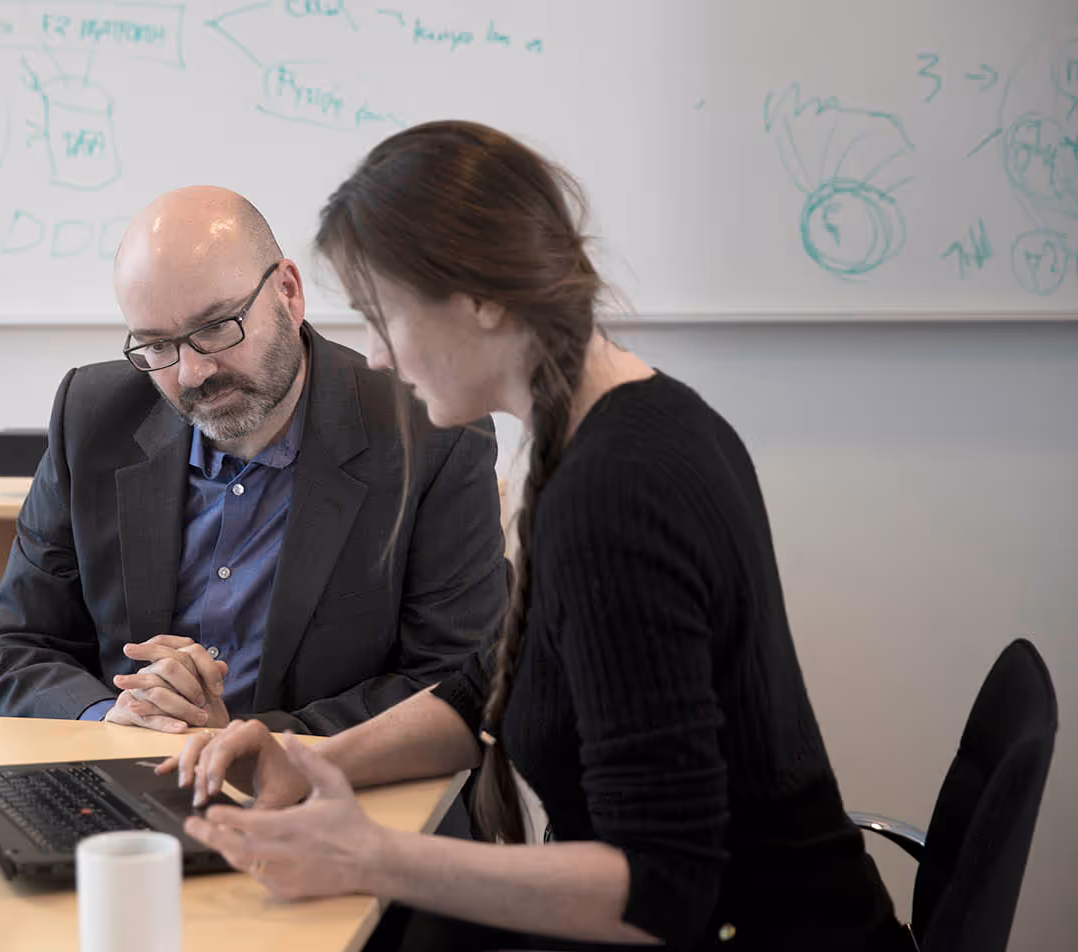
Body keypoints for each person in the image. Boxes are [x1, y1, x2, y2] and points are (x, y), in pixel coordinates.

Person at [163, 123, 910, 950]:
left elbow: (662, 890)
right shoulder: (630, 418)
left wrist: (374, 857)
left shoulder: (615, 495)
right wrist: (309, 759)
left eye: (382, 317)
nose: (372, 357)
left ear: (480, 298)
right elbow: (500, 678)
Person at [0, 185, 508, 737]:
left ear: (288, 293)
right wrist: (110, 717)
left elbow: (456, 680)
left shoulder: (432, 435)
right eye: (157, 346)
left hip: (336, 795)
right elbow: (15, 648)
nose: (192, 374)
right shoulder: (89, 417)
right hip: (133, 776)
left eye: (215, 329)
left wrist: (247, 741)